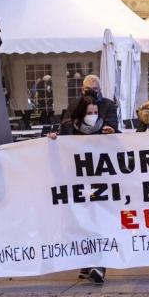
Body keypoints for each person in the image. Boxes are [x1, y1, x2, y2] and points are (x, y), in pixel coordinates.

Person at [48, 96, 109, 284]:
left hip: (99, 184)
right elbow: (61, 152)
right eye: (89, 113)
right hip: (77, 183)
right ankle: (87, 262)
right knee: (82, 223)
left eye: (95, 113)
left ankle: (98, 264)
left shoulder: (105, 130)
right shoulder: (69, 129)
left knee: (97, 221)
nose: (93, 116)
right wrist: (53, 141)